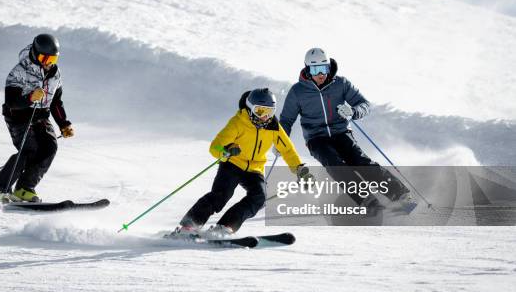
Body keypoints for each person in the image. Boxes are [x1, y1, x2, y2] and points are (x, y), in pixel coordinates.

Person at [278, 48, 415, 214]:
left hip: (341, 133)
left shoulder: (341, 84)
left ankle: (399, 194)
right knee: (335, 165)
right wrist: (280, 142)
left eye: (324, 68)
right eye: (315, 70)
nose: (321, 74)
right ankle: (368, 201)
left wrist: (353, 112)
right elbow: (285, 120)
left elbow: (364, 104)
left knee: (360, 161)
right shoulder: (297, 92)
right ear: (307, 69)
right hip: (316, 138)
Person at [174, 88, 313, 238]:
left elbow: (287, 151)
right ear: (250, 109)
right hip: (232, 163)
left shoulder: (274, 128)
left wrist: (300, 170)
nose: (265, 117)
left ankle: (224, 227)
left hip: (254, 169)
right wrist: (226, 151)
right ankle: (188, 226)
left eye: (270, 112)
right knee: (221, 195)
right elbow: (215, 146)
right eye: (260, 111)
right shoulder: (238, 123)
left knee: (259, 198)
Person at [0, 34, 74, 203]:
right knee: (29, 150)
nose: (48, 62)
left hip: (41, 117)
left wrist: (63, 124)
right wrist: (30, 97)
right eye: (43, 57)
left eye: (52, 58)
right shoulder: (19, 72)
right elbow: (11, 102)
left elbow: (56, 102)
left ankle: (24, 188)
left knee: (49, 147)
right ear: (34, 53)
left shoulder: (55, 74)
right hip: (19, 117)